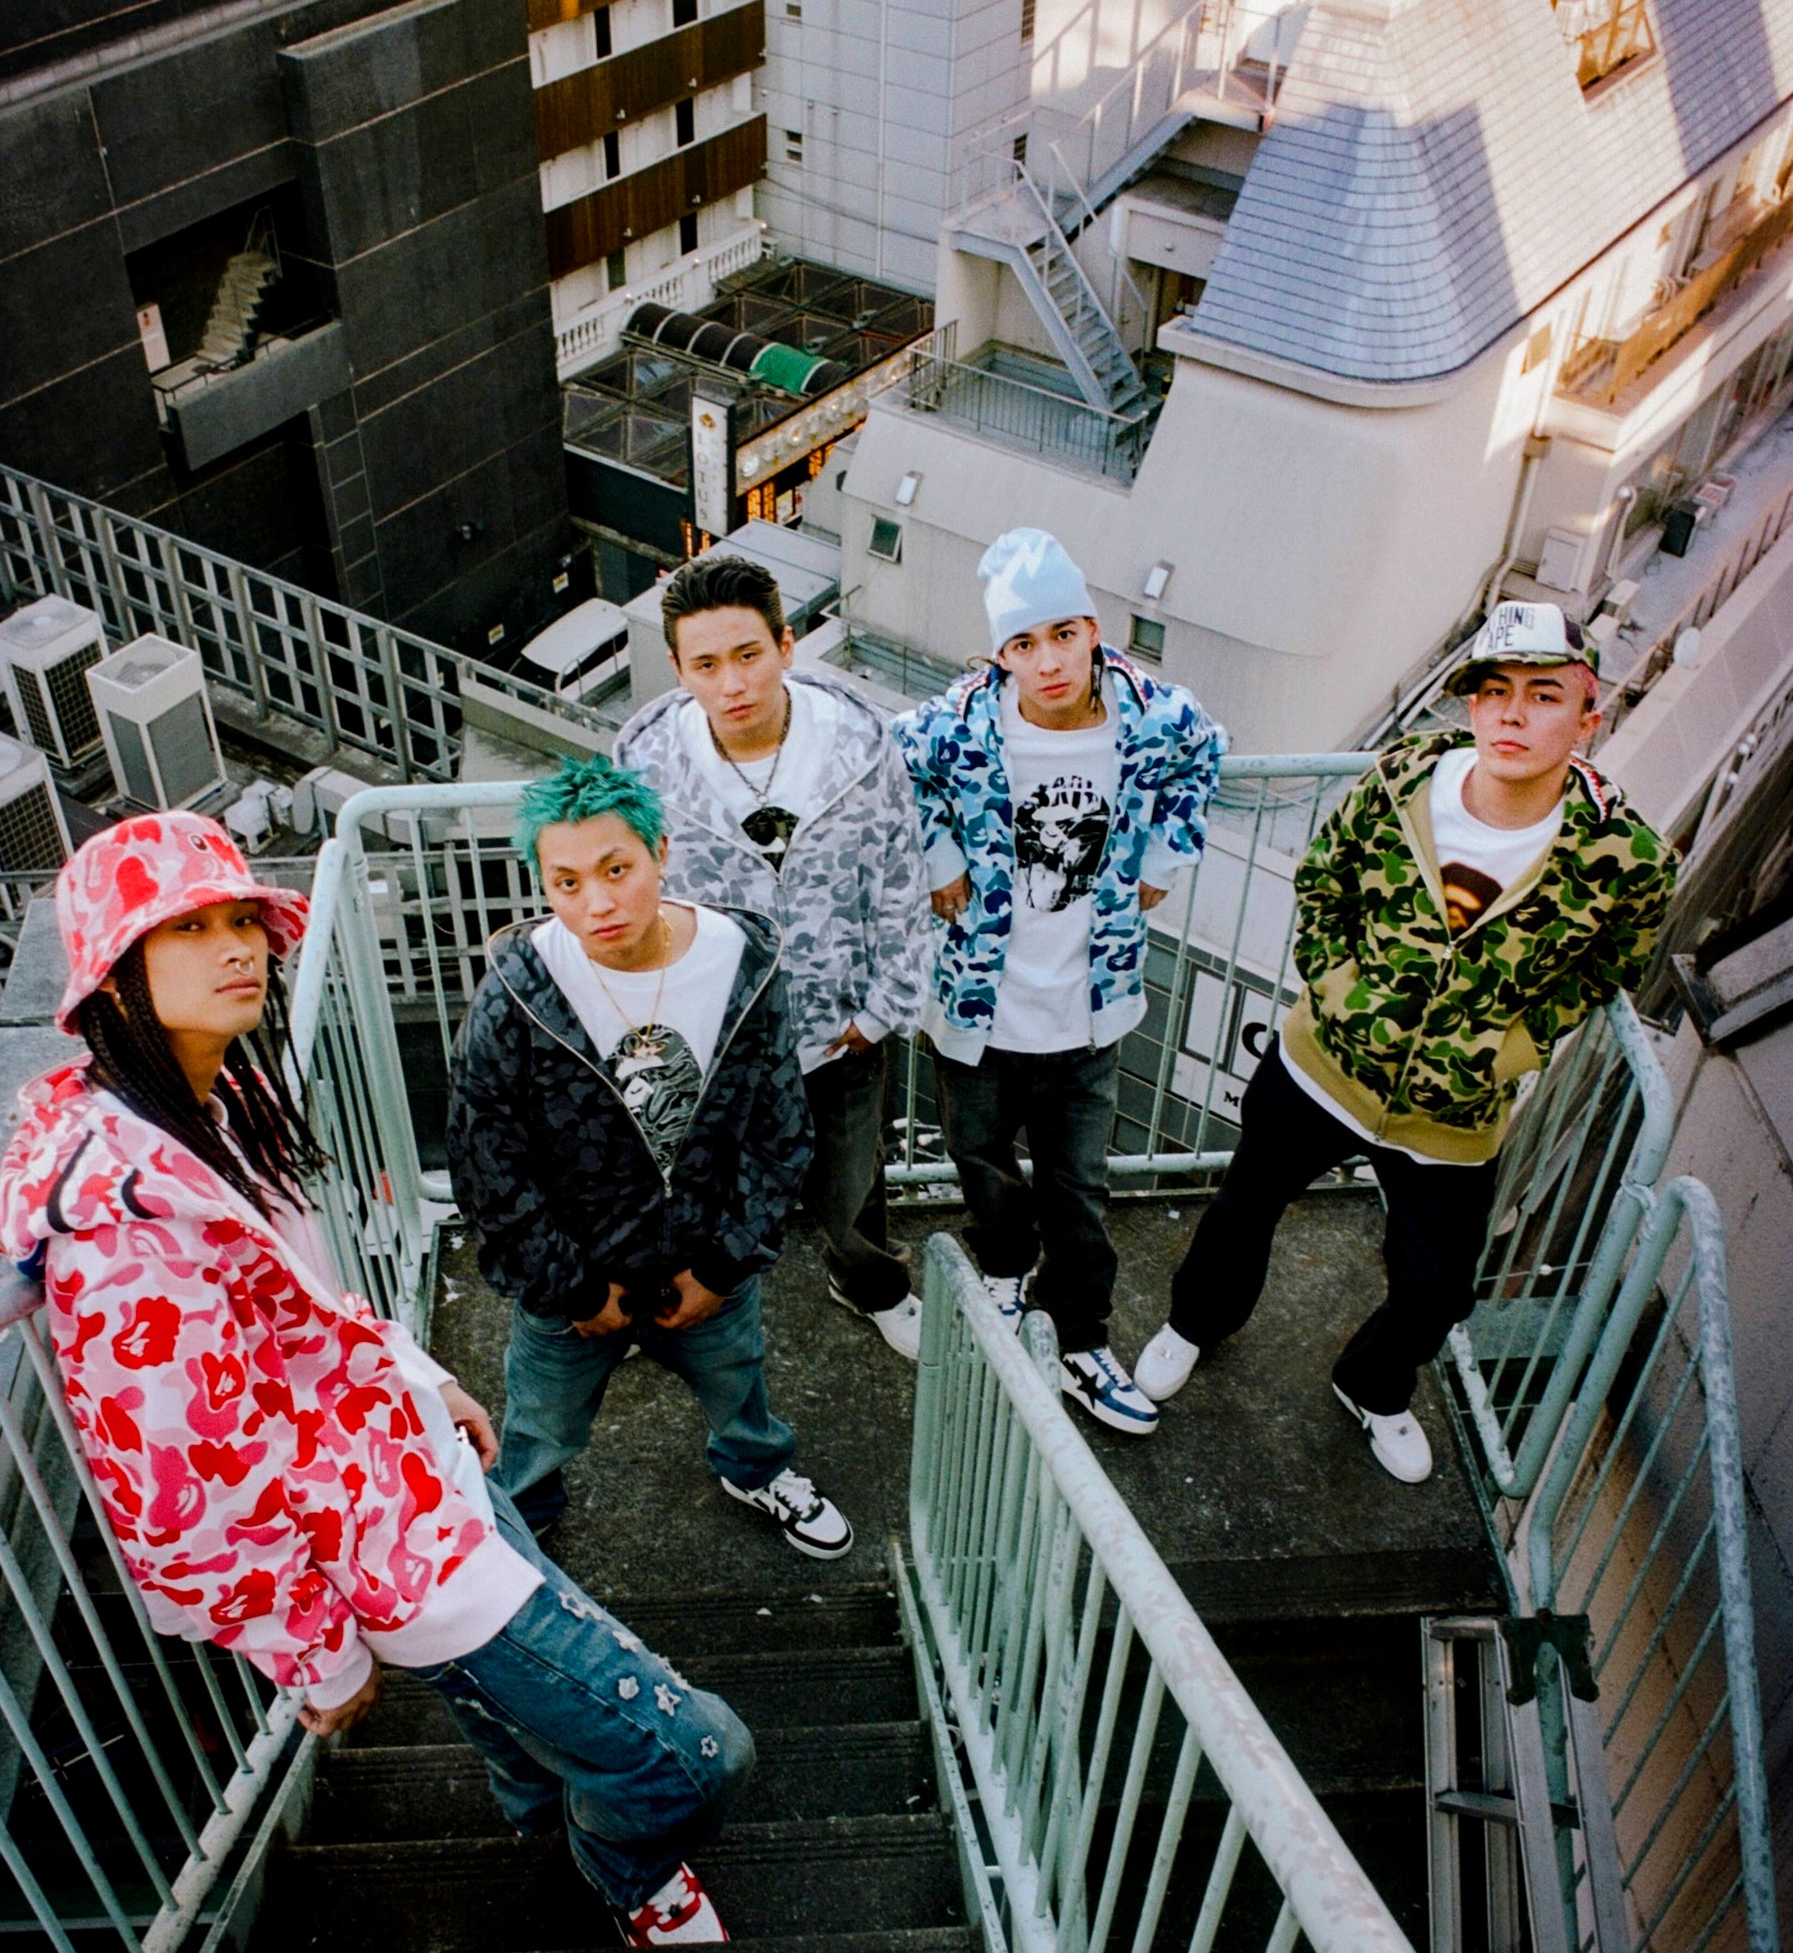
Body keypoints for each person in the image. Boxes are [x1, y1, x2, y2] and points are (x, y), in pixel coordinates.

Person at [0, 812, 751, 1947]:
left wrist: (419, 1379)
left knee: (524, 1718)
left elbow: (302, 1311)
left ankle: (549, 1825)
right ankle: (621, 1869)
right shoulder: (123, 1225)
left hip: (403, 1473)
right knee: (696, 1753)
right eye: (187, 928)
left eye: (241, 918)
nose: (237, 946)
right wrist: (314, 1652)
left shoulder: (207, 1110)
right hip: (390, 1549)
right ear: (114, 972)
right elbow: (176, 1489)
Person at [1134, 600, 1678, 1482]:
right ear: (1472, 704)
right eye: (1494, 692)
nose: (1512, 714)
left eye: (1543, 695)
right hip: (1321, 1068)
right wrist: (1338, 991)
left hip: (1453, 1118)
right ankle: (1192, 1325)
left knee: (1439, 1287)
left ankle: (1374, 1386)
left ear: (1590, 714)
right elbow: (1324, 882)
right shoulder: (1403, 780)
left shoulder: (1626, 858)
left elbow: (1604, 970)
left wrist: (1512, 1048)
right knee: (1242, 1210)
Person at [446, 756, 852, 1560]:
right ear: (543, 885)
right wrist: (571, 1287)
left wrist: (724, 1267)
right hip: (576, 1272)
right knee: (541, 1420)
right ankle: (521, 1515)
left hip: (703, 1254)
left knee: (738, 1382)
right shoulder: (520, 991)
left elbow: (779, 1127)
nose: (596, 904)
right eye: (566, 884)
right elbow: (486, 1158)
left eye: (616, 870)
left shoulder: (740, 963)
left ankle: (755, 1468)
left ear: (660, 852)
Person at [892, 526, 1226, 1434]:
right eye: (1023, 643)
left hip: (1087, 1011)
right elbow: (897, 765)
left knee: (1080, 1192)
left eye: (1064, 635)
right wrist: (938, 856)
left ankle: (1081, 1339)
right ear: (1001, 653)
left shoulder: (1152, 715)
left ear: (1093, 631)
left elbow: (1206, 753)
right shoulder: (962, 725)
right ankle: (1005, 1273)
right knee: (981, 1160)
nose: (1048, 661)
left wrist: (1166, 852)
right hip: (977, 1007)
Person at [614, 554, 931, 1361]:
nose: (732, 684)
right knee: (691, 1177)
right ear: (678, 668)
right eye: (706, 665)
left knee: (851, 1181)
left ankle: (870, 1285)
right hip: (713, 1035)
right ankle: (673, 1300)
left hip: (839, 1031)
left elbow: (900, 878)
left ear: (787, 646)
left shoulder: (860, 747)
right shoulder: (647, 767)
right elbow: (634, 897)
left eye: (749, 654)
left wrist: (880, 1012)